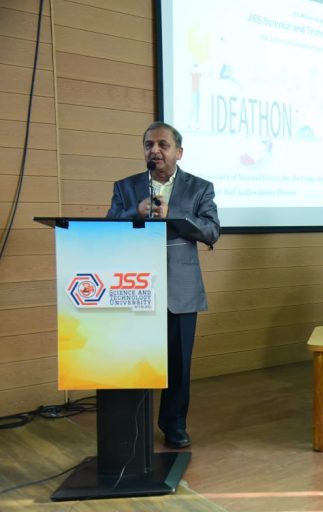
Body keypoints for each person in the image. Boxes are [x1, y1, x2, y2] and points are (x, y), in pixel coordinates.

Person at [107, 121, 220, 448]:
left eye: (162, 145)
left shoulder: (200, 188)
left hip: (181, 288)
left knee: (179, 364)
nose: (154, 150)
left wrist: (175, 215)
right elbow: (108, 225)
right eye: (148, 145)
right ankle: (134, 425)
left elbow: (212, 231)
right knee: (136, 358)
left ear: (178, 152)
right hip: (136, 287)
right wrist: (135, 212)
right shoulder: (126, 187)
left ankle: (174, 425)